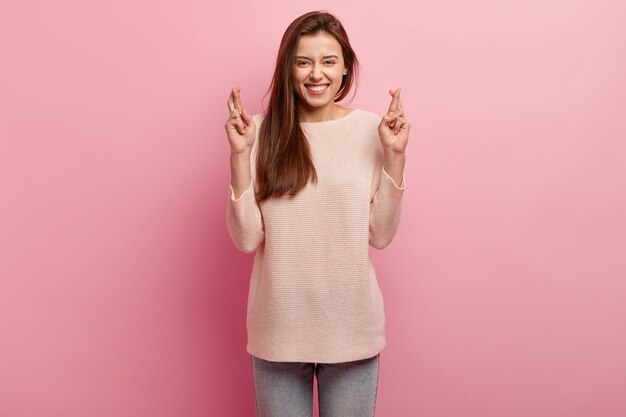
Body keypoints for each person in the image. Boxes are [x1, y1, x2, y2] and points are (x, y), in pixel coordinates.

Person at [225, 10, 409, 417]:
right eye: (303, 61)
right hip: (279, 332)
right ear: (288, 67)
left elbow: (380, 234)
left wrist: (394, 157)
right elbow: (246, 238)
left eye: (328, 61)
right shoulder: (259, 131)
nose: (316, 74)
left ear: (345, 68)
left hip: (351, 330)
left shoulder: (372, 131)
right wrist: (240, 157)